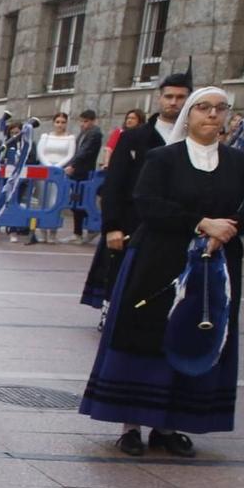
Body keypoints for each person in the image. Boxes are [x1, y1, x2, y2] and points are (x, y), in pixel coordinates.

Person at [79, 86, 244, 458]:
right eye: (203, 108)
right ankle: (130, 424)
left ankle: (168, 424)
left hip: (215, 266)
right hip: (158, 261)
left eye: (220, 109)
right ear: (188, 116)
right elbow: (148, 203)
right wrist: (200, 224)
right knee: (147, 335)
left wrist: (228, 228)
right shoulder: (163, 158)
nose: (212, 115)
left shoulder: (241, 164)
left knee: (195, 333)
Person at [86, 71, 191, 309]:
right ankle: (109, 312)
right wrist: (112, 226)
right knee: (123, 274)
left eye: (180, 97)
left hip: (178, 224)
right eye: (169, 96)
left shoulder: (192, 140)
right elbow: (114, 183)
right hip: (133, 221)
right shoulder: (134, 137)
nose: (174, 102)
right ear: (159, 99)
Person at [30, 111, 77, 244]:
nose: (60, 125)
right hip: (45, 171)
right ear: (53, 123)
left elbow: (70, 154)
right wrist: (49, 166)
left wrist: (58, 167)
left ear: (66, 123)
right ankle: (43, 232)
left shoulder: (70, 138)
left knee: (56, 202)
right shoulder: (45, 136)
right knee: (42, 201)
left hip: (59, 173)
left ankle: (53, 233)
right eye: (57, 122)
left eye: (63, 122)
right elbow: (41, 152)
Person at [67, 109, 104, 243]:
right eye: (81, 121)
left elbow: (85, 151)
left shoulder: (95, 134)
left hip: (84, 172)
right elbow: (77, 151)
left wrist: (73, 165)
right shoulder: (83, 133)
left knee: (82, 202)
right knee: (76, 202)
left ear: (93, 121)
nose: (83, 124)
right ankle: (78, 232)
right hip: (78, 171)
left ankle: (91, 229)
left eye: (86, 121)